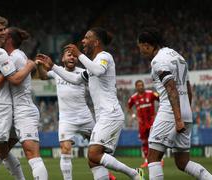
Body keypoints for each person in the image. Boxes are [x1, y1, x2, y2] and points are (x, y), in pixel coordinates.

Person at [36, 27, 144, 180]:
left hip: (111, 114)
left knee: (93, 154)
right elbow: (75, 79)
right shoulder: (91, 66)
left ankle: (134, 174)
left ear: (96, 42)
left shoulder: (105, 57)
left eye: (87, 38)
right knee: (93, 161)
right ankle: (133, 174)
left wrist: (79, 54)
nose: (83, 41)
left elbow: (99, 70)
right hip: (103, 117)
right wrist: (53, 66)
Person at [137, 27, 212, 179]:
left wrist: (178, 119)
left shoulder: (158, 60)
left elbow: (171, 88)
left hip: (170, 112)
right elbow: (188, 88)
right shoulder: (178, 57)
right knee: (182, 161)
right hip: (185, 111)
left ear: (147, 45)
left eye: (140, 48)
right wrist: (185, 113)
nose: (140, 52)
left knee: (153, 158)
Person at [0, 24, 48, 180]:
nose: (2, 35)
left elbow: (12, 80)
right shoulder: (14, 56)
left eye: (5, 33)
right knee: (1, 151)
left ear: (9, 39)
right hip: (12, 111)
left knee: (31, 153)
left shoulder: (14, 57)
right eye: (0, 31)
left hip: (24, 110)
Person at [37, 49, 116, 180]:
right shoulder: (57, 72)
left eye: (74, 55)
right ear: (63, 59)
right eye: (69, 55)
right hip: (66, 120)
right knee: (65, 149)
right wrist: (39, 65)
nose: (72, 57)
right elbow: (43, 76)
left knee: (99, 149)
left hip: (85, 117)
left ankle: (109, 174)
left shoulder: (82, 72)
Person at [127, 80, 159, 168]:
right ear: (136, 87)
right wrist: (134, 116)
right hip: (142, 124)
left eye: (142, 85)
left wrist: (160, 112)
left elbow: (161, 100)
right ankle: (146, 161)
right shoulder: (133, 98)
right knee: (145, 142)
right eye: (139, 85)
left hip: (152, 122)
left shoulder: (151, 93)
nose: (141, 87)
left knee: (155, 141)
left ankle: (160, 160)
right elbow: (128, 107)